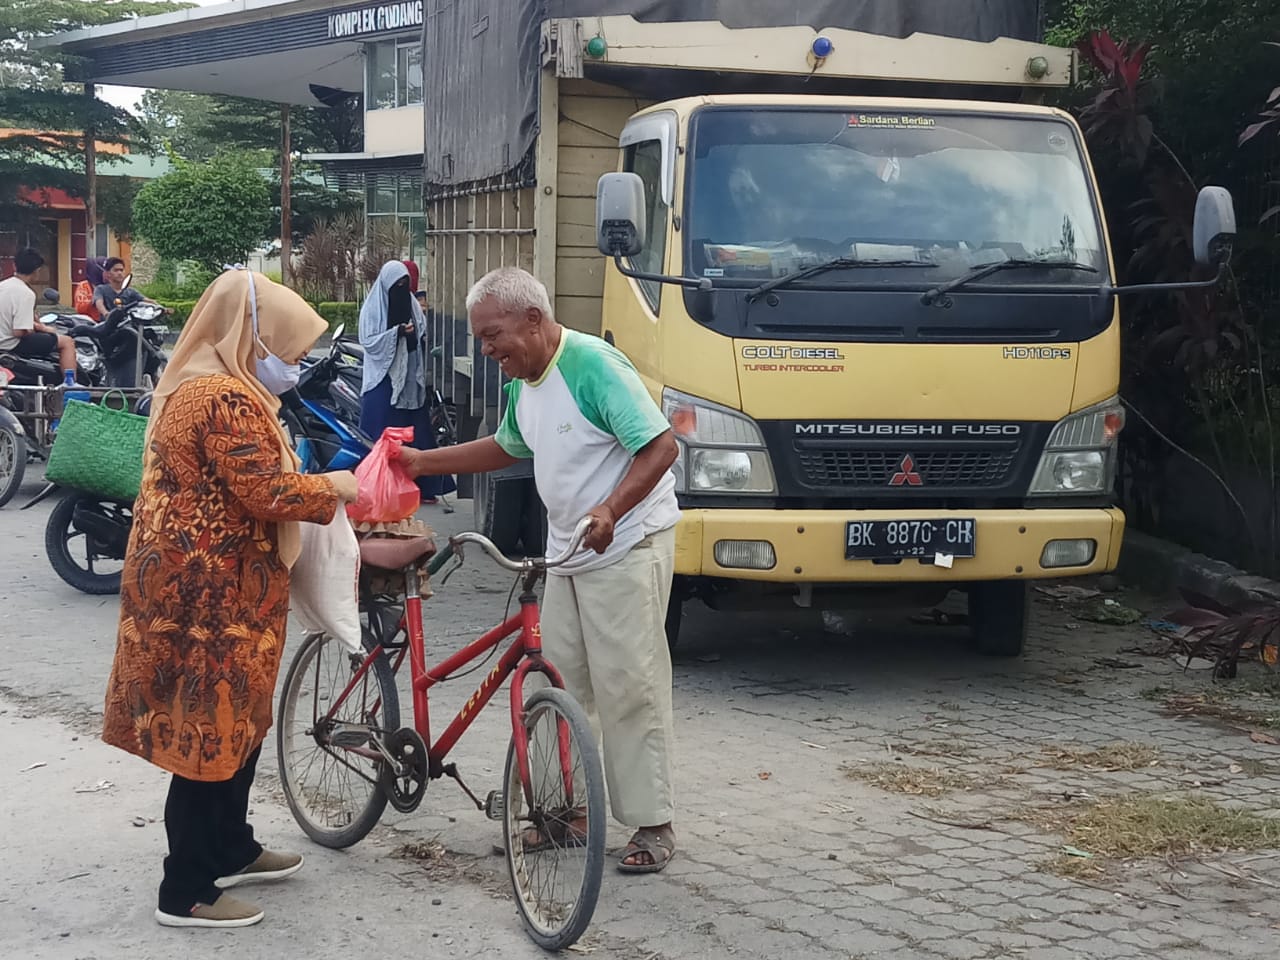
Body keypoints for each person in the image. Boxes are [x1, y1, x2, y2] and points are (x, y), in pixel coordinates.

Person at [394, 266, 681, 873]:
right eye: (480, 339)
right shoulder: (520, 380)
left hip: (627, 542)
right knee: (557, 680)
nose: (487, 349)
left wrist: (610, 508)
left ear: (533, 319)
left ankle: (652, 823)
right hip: (569, 551)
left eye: (493, 334)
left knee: (628, 682)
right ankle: (563, 813)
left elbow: (660, 446)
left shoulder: (592, 365)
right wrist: (425, 463)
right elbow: (508, 445)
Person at [100, 267, 360, 928]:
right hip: (202, 603)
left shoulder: (214, 385)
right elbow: (266, 492)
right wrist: (339, 487)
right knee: (205, 734)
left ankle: (232, 847)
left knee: (237, 725)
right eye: (289, 350)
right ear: (252, 335)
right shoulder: (220, 396)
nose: (295, 364)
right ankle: (184, 887)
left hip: (223, 595)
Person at [357, 259, 454, 504]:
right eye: (396, 285)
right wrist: (395, 333)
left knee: (416, 433)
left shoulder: (411, 305)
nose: (401, 289)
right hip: (382, 380)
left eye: (405, 284)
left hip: (409, 380)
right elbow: (369, 342)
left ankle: (426, 487)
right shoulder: (372, 309)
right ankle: (375, 486)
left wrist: (409, 334)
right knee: (378, 434)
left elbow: (419, 336)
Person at [0, 248, 77, 377]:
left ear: (14, 265)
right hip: (11, 344)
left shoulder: (3, 286)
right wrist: (41, 329)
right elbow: (20, 331)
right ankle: (71, 385)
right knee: (67, 342)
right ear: (37, 271)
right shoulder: (26, 293)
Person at [93, 256, 163, 320]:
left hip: (127, 324)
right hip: (107, 326)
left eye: (121, 270)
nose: (119, 273)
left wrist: (162, 308)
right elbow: (99, 303)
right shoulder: (100, 289)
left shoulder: (130, 291)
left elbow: (146, 300)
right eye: (116, 270)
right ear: (108, 273)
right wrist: (106, 314)